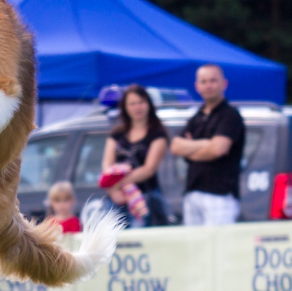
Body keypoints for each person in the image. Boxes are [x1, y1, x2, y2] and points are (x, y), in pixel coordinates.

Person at [170, 64, 245, 225]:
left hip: (220, 194)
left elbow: (218, 149)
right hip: (192, 192)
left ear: (224, 84)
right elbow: (175, 146)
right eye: (204, 82)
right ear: (197, 87)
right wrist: (205, 144)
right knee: (194, 248)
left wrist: (189, 150)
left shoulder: (230, 116)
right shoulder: (196, 117)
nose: (208, 85)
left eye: (213, 81)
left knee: (218, 248)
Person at [101, 84, 170, 227]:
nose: (137, 107)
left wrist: (116, 185)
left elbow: (148, 169)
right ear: (125, 107)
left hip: (145, 198)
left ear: (148, 104)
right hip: (116, 199)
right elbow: (107, 164)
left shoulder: (157, 134)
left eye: (141, 102)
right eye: (132, 104)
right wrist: (113, 191)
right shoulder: (117, 133)